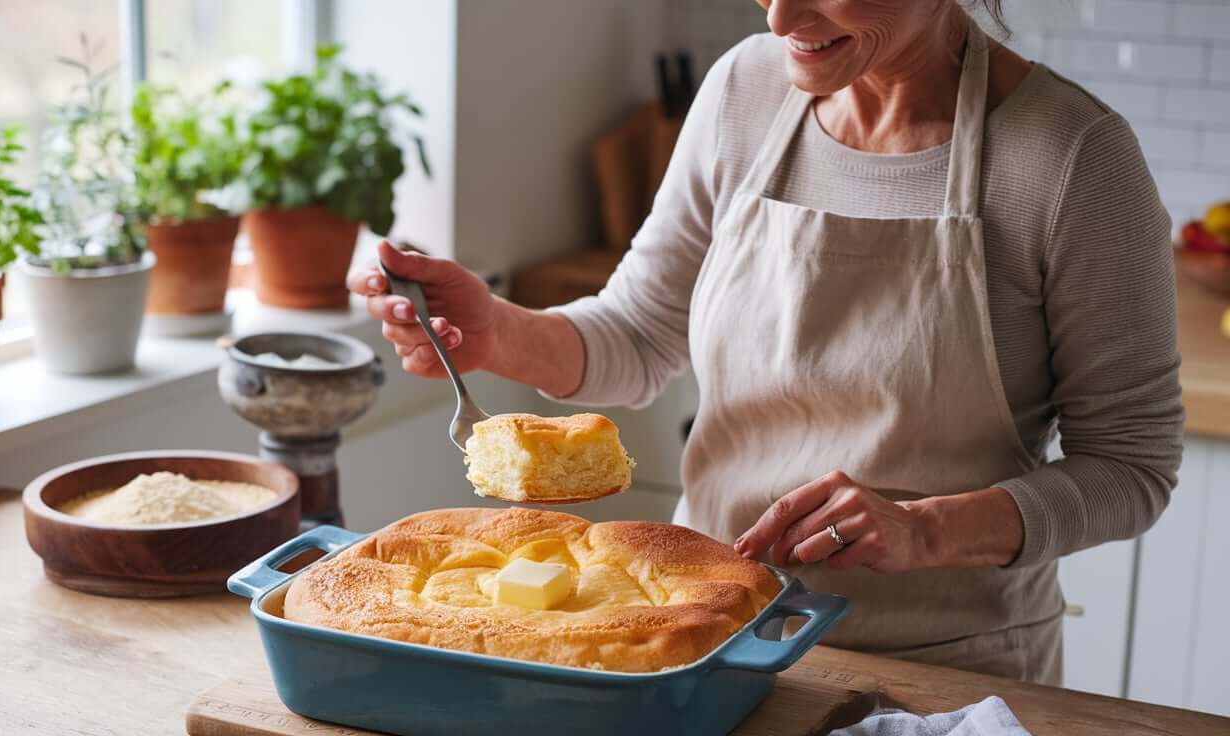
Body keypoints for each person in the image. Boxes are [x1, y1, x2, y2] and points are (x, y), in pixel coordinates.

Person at [350, 0, 1183, 684]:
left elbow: (1133, 468)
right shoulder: (745, 89)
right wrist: (498, 331)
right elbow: (639, 331)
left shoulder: (1073, 159)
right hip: (698, 642)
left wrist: (926, 530)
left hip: (949, 674)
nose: (783, 14)